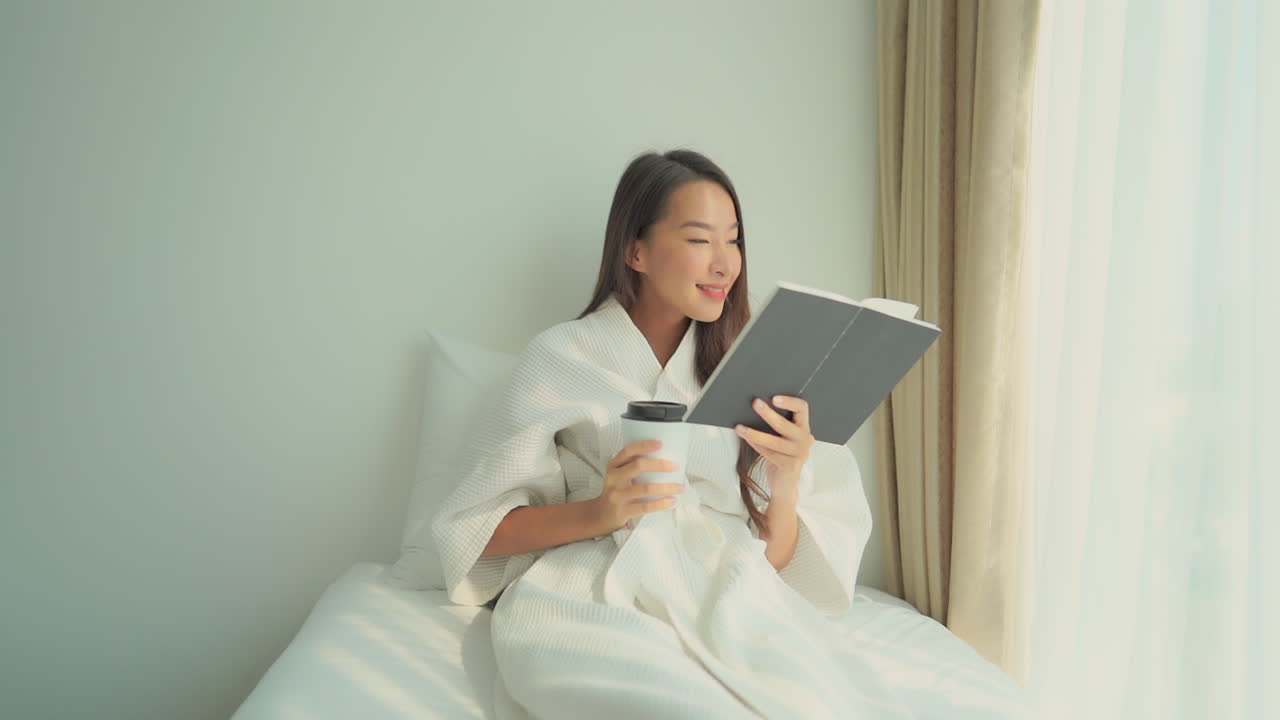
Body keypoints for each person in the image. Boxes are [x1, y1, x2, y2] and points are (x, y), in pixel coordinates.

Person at [433, 150, 894, 718]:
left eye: (735, 240)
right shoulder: (561, 355)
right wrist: (602, 512)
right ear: (637, 250)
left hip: (728, 583)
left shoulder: (754, 368)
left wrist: (788, 482)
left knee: (804, 698)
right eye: (701, 240)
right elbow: (478, 530)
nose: (726, 265)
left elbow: (776, 561)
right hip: (588, 585)